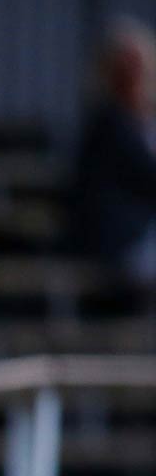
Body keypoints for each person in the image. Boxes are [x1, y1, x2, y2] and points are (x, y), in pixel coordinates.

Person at [69, 16, 156, 298]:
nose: (135, 75)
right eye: (126, 67)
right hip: (120, 245)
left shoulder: (140, 121)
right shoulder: (109, 124)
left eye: (138, 65)